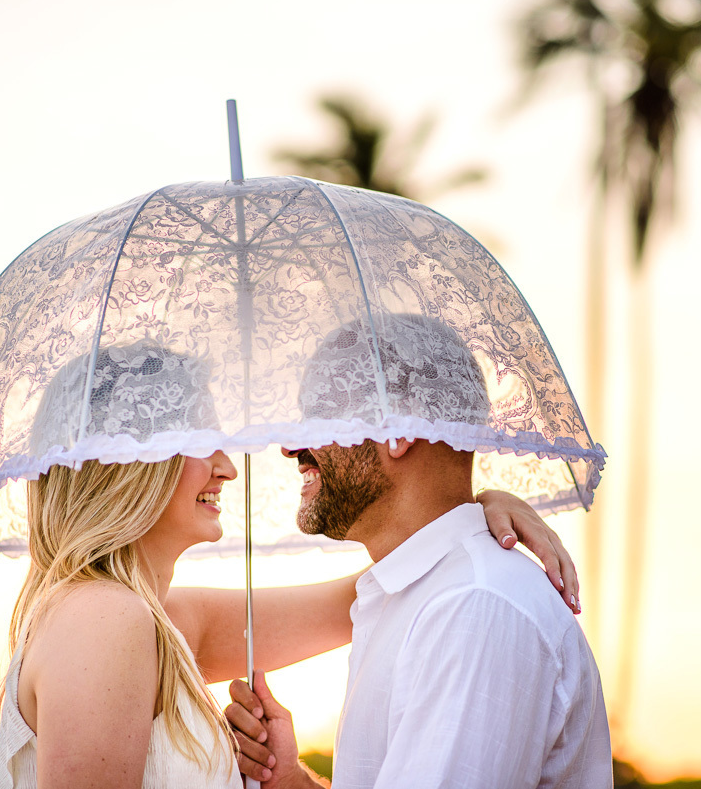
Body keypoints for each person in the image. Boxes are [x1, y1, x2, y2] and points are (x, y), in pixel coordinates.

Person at [0, 340, 580, 789]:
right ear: (127, 460)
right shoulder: (103, 619)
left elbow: (381, 588)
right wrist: (461, 523)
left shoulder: (157, 620)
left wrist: (468, 513)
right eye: (202, 442)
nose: (228, 467)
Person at [226, 316, 613, 788]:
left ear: (398, 429)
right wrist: (289, 781)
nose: (290, 447)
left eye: (320, 413)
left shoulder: (473, 605)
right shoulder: (414, 596)